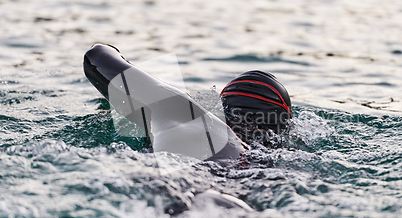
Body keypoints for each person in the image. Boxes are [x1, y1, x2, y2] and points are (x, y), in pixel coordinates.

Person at [83, 44, 291, 161]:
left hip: (169, 183)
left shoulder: (181, 111)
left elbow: (98, 57)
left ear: (223, 109)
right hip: (231, 190)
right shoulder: (269, 164)